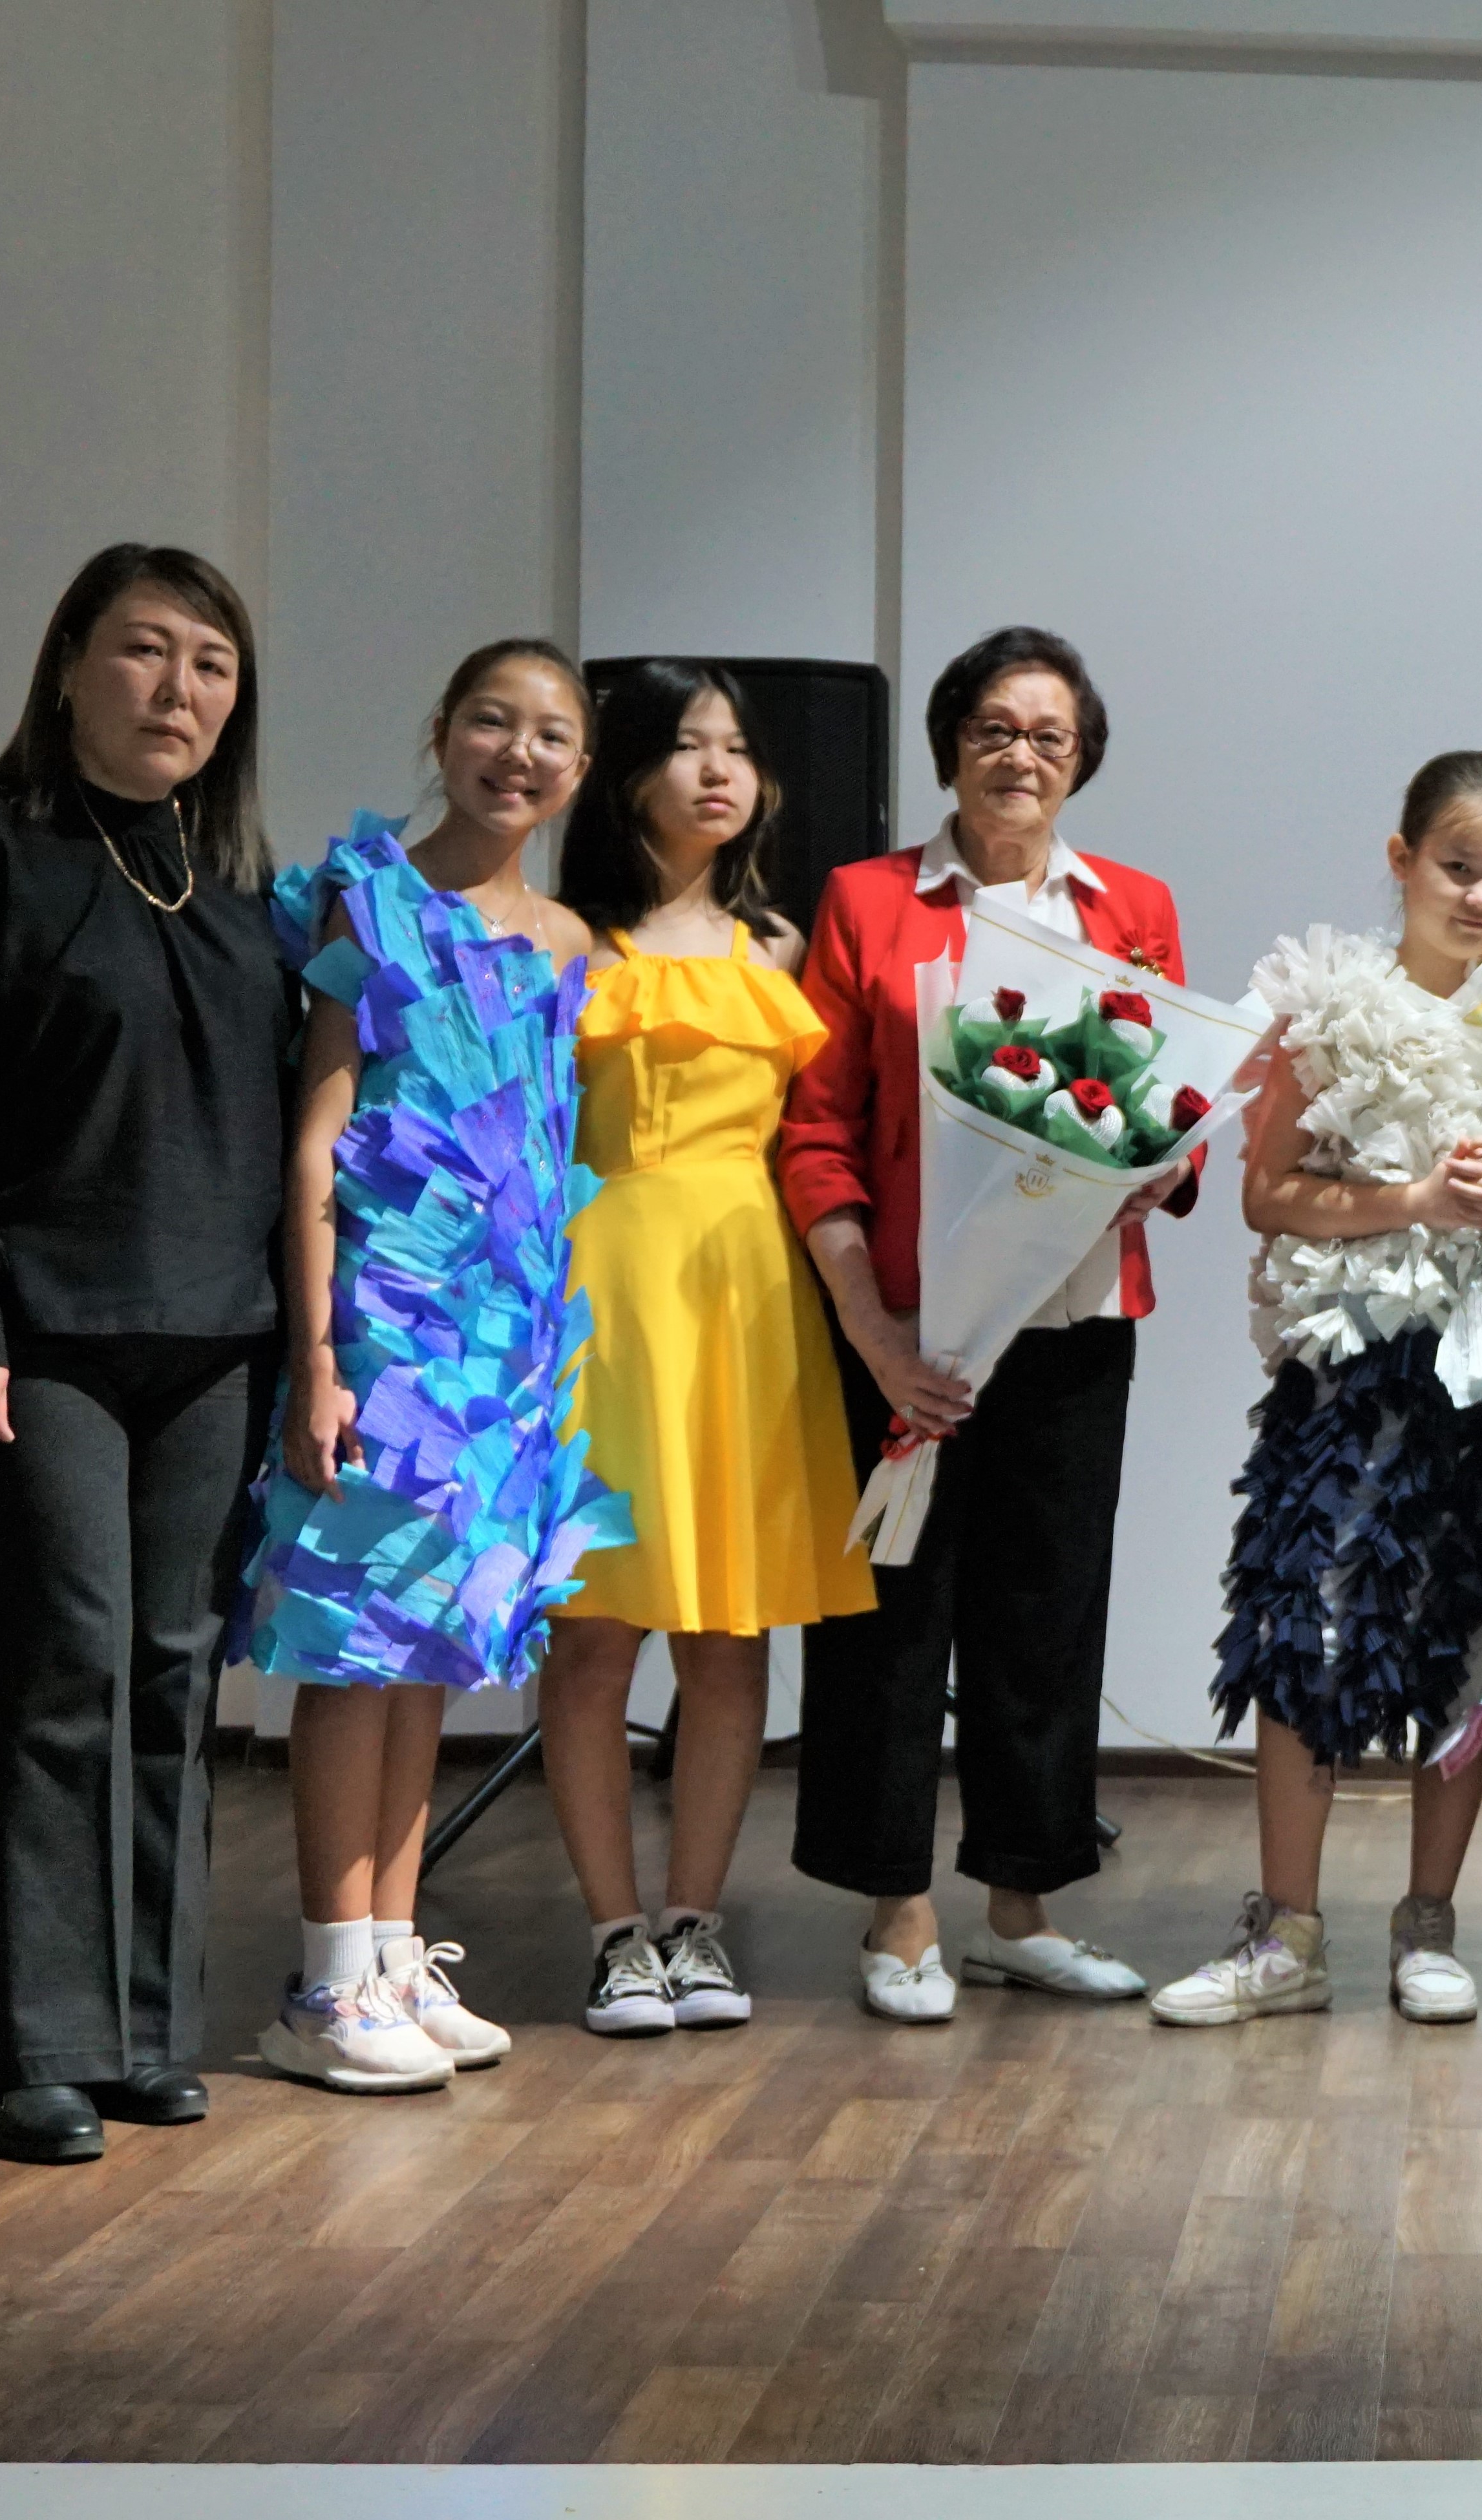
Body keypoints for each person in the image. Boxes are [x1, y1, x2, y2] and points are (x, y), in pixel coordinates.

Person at [0, 544, 293, 2163]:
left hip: (215, 1346)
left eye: (211, 665)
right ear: (67, 667)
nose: (178, 689)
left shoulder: (238, 886)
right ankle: (36, 2050)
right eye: (144, 650)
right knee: (65, 1660)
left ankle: (142, 2033)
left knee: (174, 1674)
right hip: (32, 1338)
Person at [774, 626, 1200, 2024]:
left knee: (1046, 1616)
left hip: (1075, 1319)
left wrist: (1167, 1158)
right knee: (892, 1618)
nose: (1021, 755)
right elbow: (819, 1132)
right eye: (994, 729)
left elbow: (1171, 1109)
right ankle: (895, 1910)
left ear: (1081, 762)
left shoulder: (1134, 906)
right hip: (912, 1327)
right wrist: (872, 1332)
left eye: (1049, 736)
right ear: (951, 744)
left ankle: (1022, 1907)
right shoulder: (868, 902)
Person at [233, 637, 630, 2094]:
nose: (518, 754)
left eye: (550, 736)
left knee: (429, 1658)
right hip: (384, 1330)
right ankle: (326, 1982)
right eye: (490, 722)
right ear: (442, 731)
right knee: (355, 1653)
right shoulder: (372, 897)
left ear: (579, 770)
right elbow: (316, 1142)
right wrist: (319, 1357)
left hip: (502, 1349)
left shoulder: (571, 940)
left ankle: (392, 1952)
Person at [1155, 752, 1482, 2028]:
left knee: (1466, 1638)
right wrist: (1413, 1199)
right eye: (1457, 867)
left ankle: (1427, 1924)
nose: (1480, 897)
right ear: (1401, 859)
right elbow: (1265, 1193)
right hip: (1355, 1369)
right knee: (1307, 1618)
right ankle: (1288, 1932)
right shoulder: (1327, 1009)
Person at [542, 660, 877, 2038]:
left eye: (736, 748)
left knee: (731, 1641)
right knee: (595, 1640)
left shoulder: (777, 951)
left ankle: (695, 1924)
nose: (720, 771)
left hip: (749, 1300)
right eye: (688, 745)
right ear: (627, 772)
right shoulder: (569, 943)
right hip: (607, 1296)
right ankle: (611, 1933)